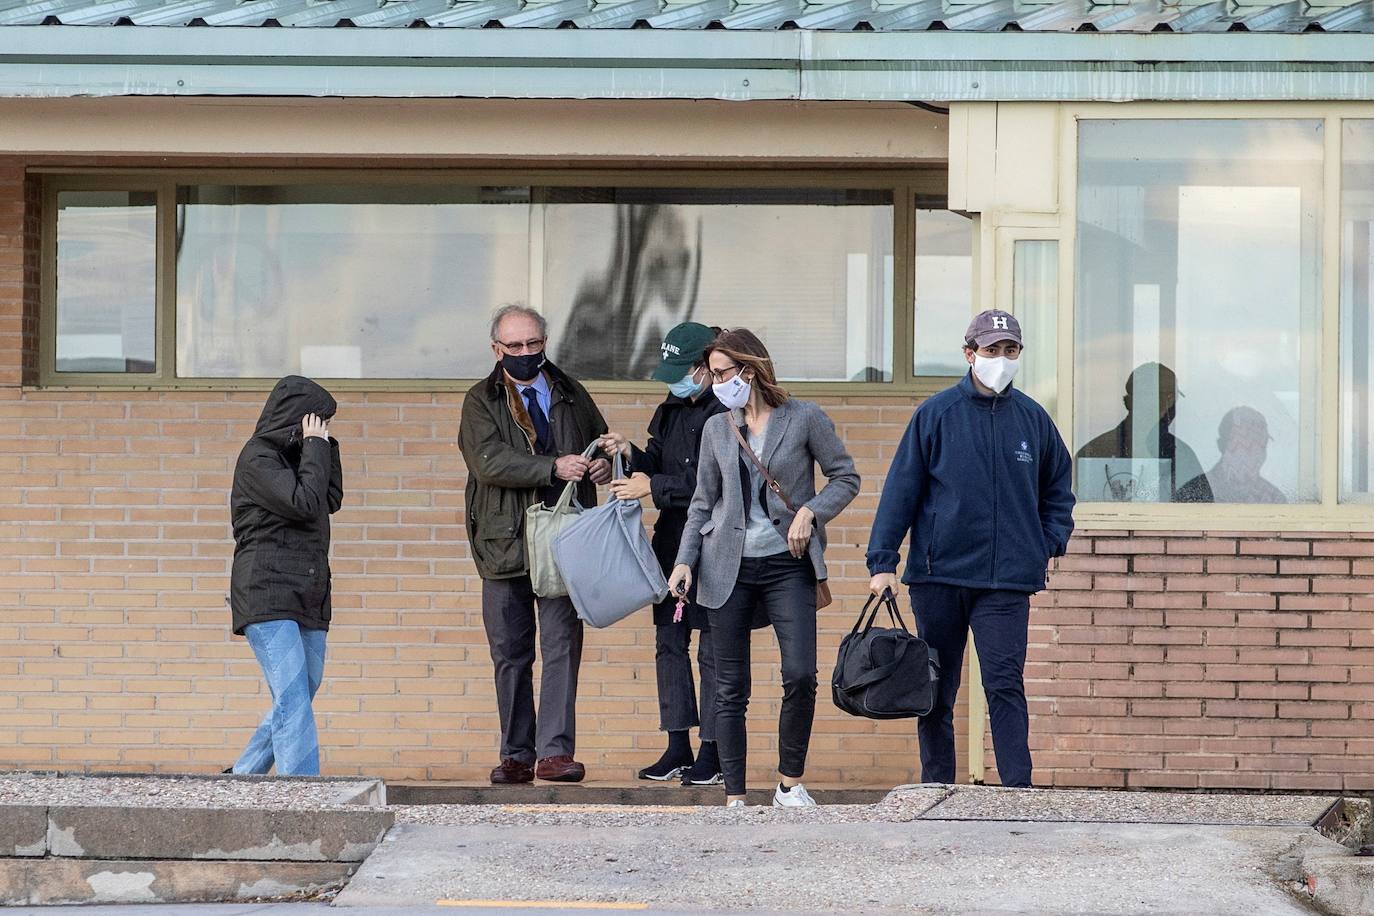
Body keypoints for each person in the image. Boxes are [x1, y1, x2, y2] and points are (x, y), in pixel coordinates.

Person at [866, 309, 1074, 789]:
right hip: (938, 577)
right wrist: (882, 563)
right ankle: (937, 787)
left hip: (1005, 582)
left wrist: (1043, 544)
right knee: (936, 690)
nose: (1000, 359)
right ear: (969, 354)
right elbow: (901, 491)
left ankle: (1017, 792)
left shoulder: (1033, 420)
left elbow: (1059, 491)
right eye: (991, 350)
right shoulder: (936, 415)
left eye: (1010, 350)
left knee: (1004, 685)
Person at [669, 329, 859, 808]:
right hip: (725, 568)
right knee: (729, 687)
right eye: (710, 375)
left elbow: (846, 477)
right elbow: (702, 503)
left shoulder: (804, 418)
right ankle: (734, 795)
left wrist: (810, 512)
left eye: (720, 373)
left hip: (787, 564)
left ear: (747, 372)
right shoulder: (717, 427)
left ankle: (789, 784)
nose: (713, 383)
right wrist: (684, 561)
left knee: (799, 674)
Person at [459, 304, 612, 785]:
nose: (526, 354)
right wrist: (552, 467)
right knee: (510, 653)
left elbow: (597, 443)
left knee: (563, 646)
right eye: (515, 346)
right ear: (496, 349)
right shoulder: (480, 400)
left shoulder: (570, 390)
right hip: (504, 545)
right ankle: (517, 755)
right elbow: (488, 460)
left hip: (564, 542)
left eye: (534, 344)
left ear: (545, 342)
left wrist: (603, 468)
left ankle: (555, 753)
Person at [601, 322, 728, 786]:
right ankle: (678, 744)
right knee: (669, 644)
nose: (675, 380)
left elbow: (714, 487)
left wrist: (652, 487)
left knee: (713, 650)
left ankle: (713, 752)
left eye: (682, 370)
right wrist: (630, 454)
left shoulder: (728, 414)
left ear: (704, 367)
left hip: (715, 548)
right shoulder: (670, 409)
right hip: (671, 544)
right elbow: (655, 463)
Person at [229, 375, 344, 777]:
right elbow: (304, 502)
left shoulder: (303, 457)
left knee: (299, 691)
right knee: (292, 697)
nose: (319, 430)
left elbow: (330, 498)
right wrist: (314, 446)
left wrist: (323, 447)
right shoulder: (258, 457)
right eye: (315, 421)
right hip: (266, 591)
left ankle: (243, 776)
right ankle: (302, 790)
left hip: (307, 593)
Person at [1075, 362, 1204, 502]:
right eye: (1171, 399)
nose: (1172, 407)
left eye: (1173, 400)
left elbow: (1201, 505)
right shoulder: (1095, 451)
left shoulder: (1093, 450)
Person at [1177, 406, 1285, 504]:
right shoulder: (1194, 491)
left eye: (1261, 444)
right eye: (1243, 444)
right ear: (1222, 445)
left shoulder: (1275, 498)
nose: (1255, 453)